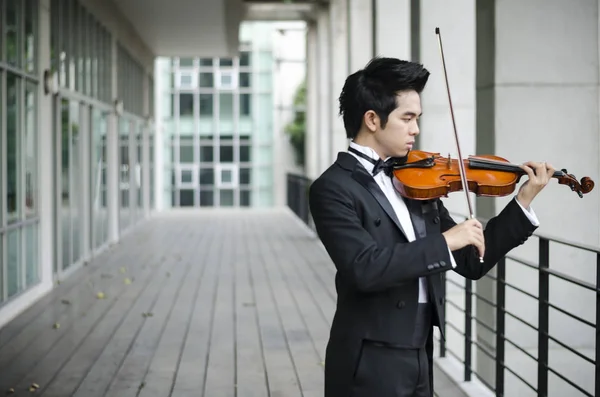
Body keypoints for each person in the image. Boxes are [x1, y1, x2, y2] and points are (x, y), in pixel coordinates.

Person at [308, 57, 555, 397]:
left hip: (422, 352)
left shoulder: (414, 180)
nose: (415, 130)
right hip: (369, 361)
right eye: (407, 118)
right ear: (372, 120)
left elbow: (472, 261)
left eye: (417, 119)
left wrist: (522, 202)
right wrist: (445, 241)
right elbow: (364, 268)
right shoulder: (332, 188)